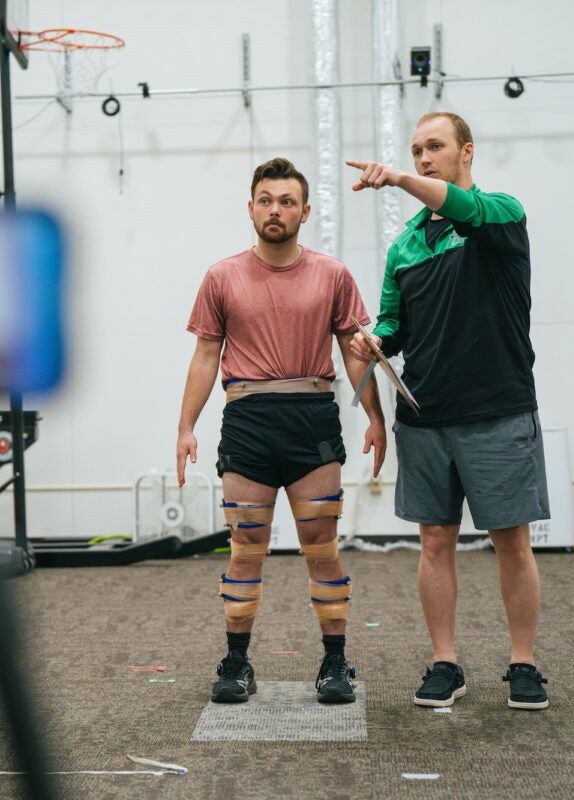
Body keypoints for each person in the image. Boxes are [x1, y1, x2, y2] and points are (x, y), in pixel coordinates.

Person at [346, 111, 551, 710]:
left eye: (435, 146)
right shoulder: (405, 247)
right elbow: (392, 325)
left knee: (511, 541)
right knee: (435, 542)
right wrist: (374, 342)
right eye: (416, 150)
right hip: (426, 420)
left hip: (498, 410)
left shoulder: (500, 215)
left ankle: (523, 664)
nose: (424, 157)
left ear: (467, 150)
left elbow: (459, 206)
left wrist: (398, 180)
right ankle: (445, 662)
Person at [176, 157, 387, 705]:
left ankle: (336, 664)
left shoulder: (332, 274)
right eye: (266, 200)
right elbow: (204, 356)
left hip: (311, 419)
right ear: (251, 208)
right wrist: (185, 428)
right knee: (246, 545)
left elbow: (353, 349)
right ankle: (237, 663)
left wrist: (377, 417)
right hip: (247, 421)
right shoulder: (222, 276)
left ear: (305, 211)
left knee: (321, 544)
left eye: (287, 201)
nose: (276, 210)